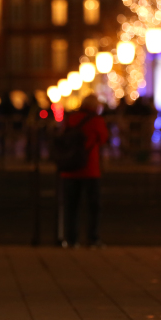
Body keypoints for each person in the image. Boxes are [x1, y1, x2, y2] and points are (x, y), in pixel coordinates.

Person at [60, 94, 109, 248]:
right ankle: (92, 238)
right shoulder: (97, 120)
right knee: (93, 206)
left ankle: (71, 239)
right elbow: (103, 139)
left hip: (70, 167)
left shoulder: (71, 118)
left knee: (71, 206)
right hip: (90, 168)